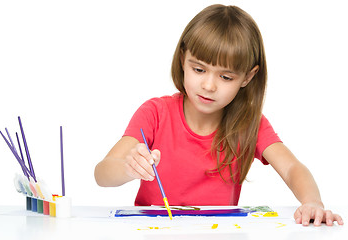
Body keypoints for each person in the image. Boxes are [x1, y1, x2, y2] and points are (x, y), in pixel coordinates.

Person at [94, 4, 343, 226]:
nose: (209, 85)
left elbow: (291, 168)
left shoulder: (249, 124)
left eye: (225, 77)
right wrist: (128, 168)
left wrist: (313, 202)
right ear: (183, 59)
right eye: (199, 69)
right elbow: (102, 173)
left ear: (247, 77)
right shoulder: (155, 113)